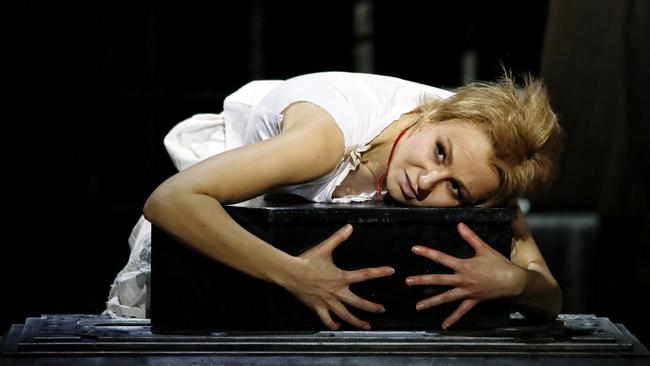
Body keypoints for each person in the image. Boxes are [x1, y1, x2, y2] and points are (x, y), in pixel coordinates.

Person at [105, 71, 563, 331]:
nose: (426, 181)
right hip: (232, 187)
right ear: (430, 114)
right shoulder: (322, 141)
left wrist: (517, 283)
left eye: (455, 190)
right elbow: (169, 201)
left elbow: (548, 294)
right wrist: (295, 274)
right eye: (438, 151)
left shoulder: (481, 160)